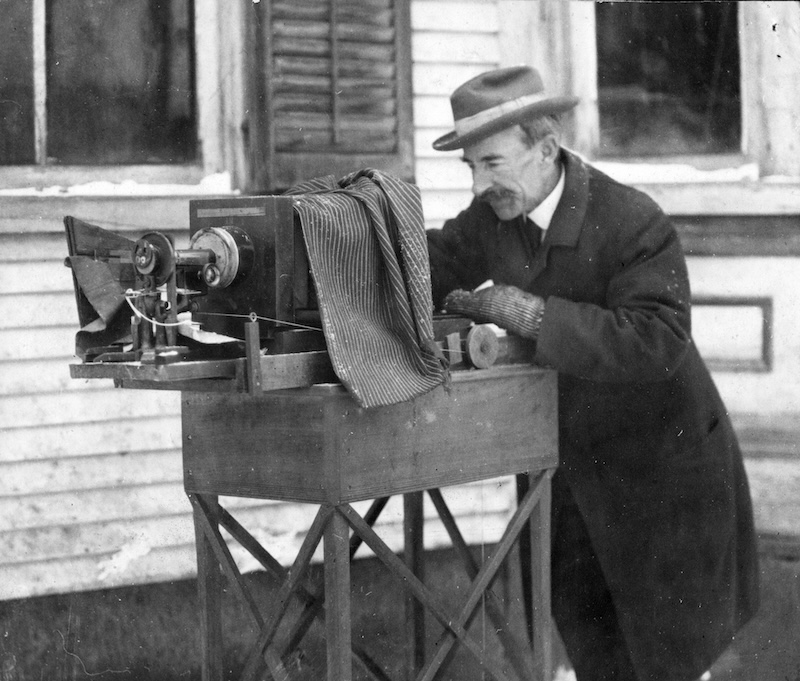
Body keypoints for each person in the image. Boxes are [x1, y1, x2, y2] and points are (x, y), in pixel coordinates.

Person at [426, 65, 759, 681]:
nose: (479, 183)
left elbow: (655, 339)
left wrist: (531, 314)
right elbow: (425, 267)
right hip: (574, 480)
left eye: (492, 163)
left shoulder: (633, 221)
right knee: (592, 657)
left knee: (669, 666)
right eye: (470, 167)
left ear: (546, 148)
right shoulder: (492, 217)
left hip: (667, 482)